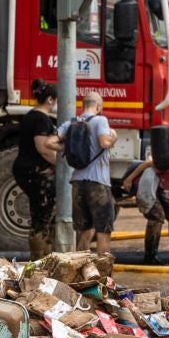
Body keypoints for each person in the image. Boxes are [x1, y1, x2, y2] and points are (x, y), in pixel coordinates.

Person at [63, 91, 118, 256]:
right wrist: (114, 137)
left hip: (77, 182)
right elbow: (104, 142)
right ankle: (102, 277)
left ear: (82, 105)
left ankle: (81, 275)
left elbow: (52, 141)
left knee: (84, 231)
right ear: (99, 107)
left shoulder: (71, 123)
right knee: (103, 231)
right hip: (98, 183)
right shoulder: (101, 120)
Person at [13, 81, 62, 258]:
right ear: (50, 99)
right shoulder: (42, 119)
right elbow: (43, 147)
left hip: (25, 169)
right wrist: (60, 166)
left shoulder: (29, 116)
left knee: (40, 213)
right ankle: (40, 258)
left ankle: (41, 256)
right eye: (55, 100)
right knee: (42, 216)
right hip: (36, 172)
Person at [119, 148, 169, 264]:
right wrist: (129, 179)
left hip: (158, 188)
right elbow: (148, 163)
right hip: (144, 184)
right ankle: (150, 256)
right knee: (157, 216)